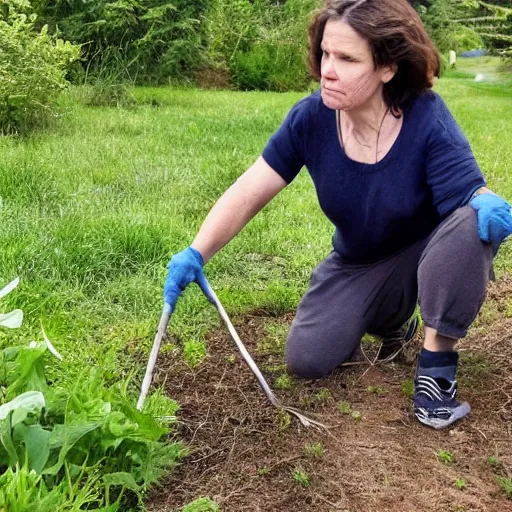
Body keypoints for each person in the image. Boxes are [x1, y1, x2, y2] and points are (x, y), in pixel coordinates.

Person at [163, 0, 512, 429]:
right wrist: (197, 252)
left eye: (347, 58)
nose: (328, 68)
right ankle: (393, 322)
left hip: (426, 253)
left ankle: (436, 370)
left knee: (470, 222)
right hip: (357, 262)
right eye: (326, 53)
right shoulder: (311, 119)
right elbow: (250, 189)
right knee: (307, 358)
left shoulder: (425, 117)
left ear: (387, 68)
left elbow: (471, 195)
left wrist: (485, 201)